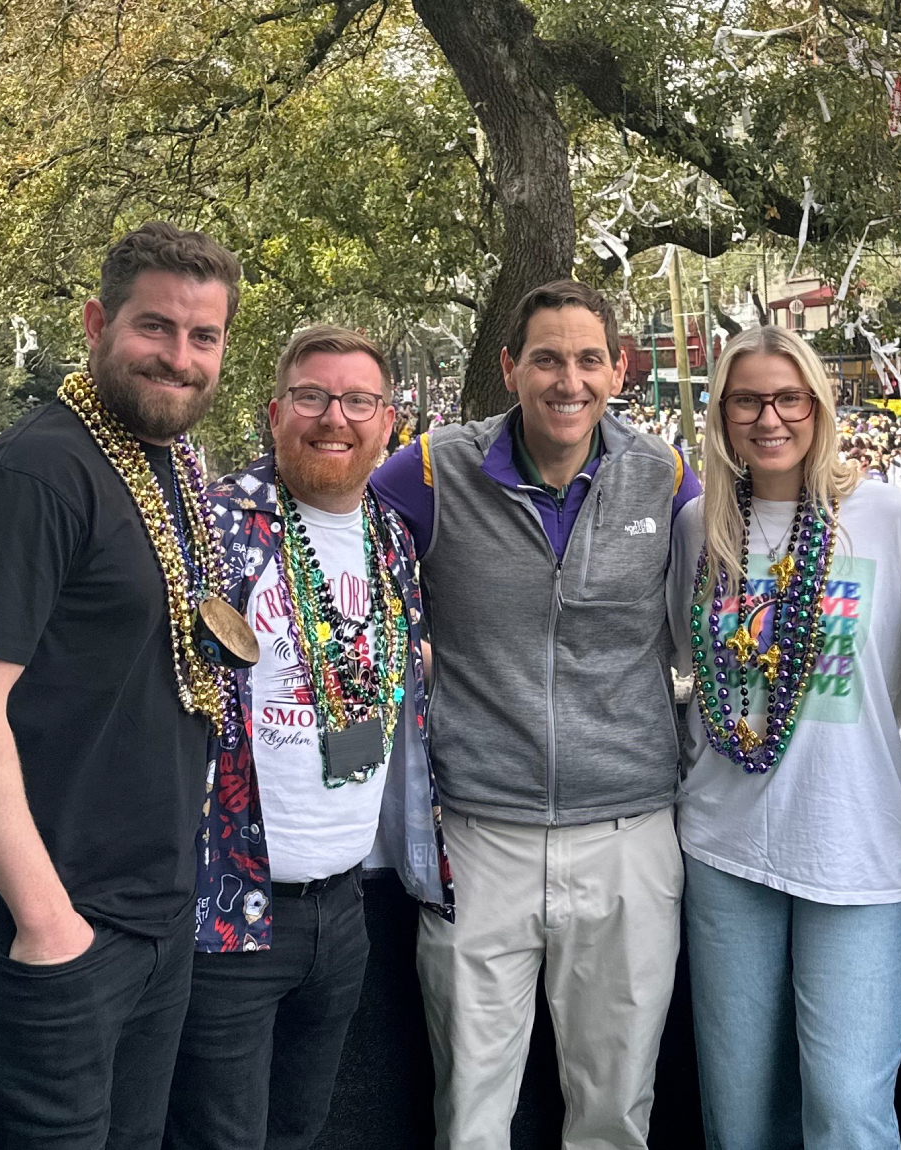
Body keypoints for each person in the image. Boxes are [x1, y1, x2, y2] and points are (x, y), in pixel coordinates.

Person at [0, 222, 240, 1148]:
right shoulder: (31, 477)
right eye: (155, 328)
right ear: (98, 322)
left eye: (203, 336)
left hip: (150, 920)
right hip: (44, 935)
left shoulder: (161, 462)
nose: (178, 358)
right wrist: (49, 926)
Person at [371, 280, 701, 1150]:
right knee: (473, 1112)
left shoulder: (663, 475)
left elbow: (748, 575)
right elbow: (328, 531)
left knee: (616, 1112)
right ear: (511, 369)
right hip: (481, 840)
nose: (569, 380)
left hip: (629, 836)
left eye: (589, 359)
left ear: (619, 369)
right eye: (548, 359)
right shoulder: (432, 470)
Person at [167, 327, 453, 1150]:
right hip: (226, 911)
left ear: (389, 422)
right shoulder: (215, 529)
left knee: (302, 1133)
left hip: (345, 904)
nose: (335, 418)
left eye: (358, 401)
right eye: (312, 397)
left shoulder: (392, 539)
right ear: (276, 412)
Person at [667, 327, 901, 1149]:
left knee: (850, 1110)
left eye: (790, 398)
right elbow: (688, 669)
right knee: (739, 1112)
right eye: (746, 399)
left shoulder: (886, 517)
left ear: (820, 406)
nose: (769, 418)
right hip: (724, 846)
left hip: (856, 849)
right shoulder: (697, 528)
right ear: (721, 414)